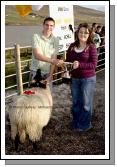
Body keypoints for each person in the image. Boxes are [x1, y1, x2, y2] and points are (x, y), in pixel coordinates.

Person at [66, 23, 98, 131]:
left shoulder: (91, 47)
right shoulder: (71, 46)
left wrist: (80, 64)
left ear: (89, 34)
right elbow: (69, 61)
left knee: (86, 103)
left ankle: (84, 125)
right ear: (77, 33)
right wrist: (66, 65)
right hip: (75, 78)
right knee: (76, 102)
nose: (83, 34)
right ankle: (76, 122)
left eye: (86, 32)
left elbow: (94, 65)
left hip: (88, 79)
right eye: (81, 32)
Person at [29, 17, 64, 89]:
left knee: (47, 95)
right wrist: (53, 61)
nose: (49, 27)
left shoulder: (56, 40)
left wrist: (51, 75)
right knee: (33, 95)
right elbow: (37, 55)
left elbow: (54, 57)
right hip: (35, 71)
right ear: (43, 25)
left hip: (48, 72)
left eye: (51, 25)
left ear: (54, 27)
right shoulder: (36, 37)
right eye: (47, 25)